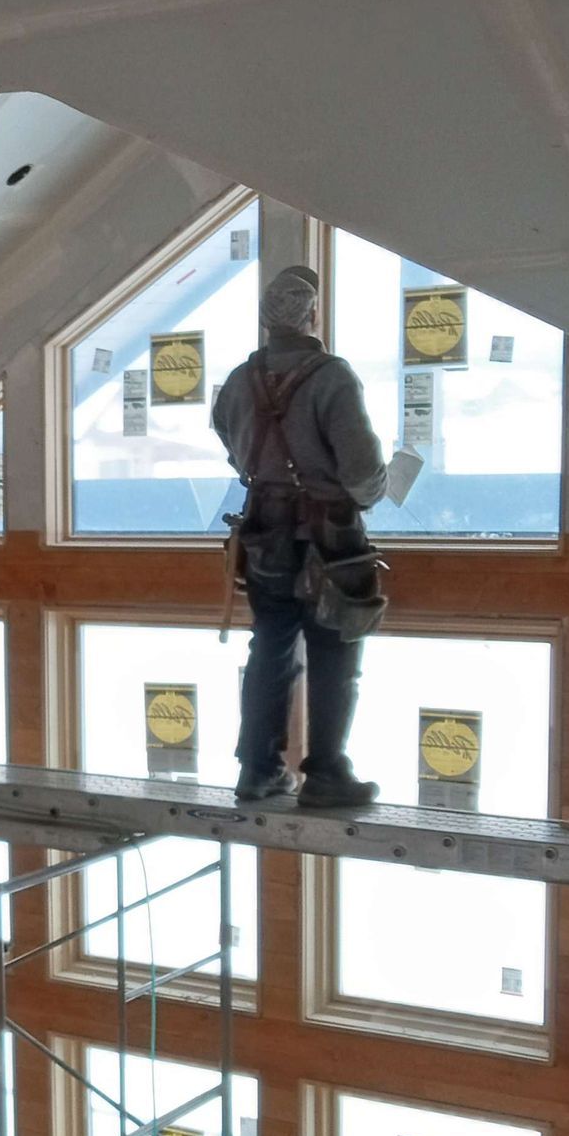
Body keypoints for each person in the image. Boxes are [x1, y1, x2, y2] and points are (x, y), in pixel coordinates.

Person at [211, 264, 388, 807]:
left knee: (270, 647)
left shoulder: (240, 379)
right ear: (313, 316)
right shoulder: (332, 377)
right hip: (331, 540)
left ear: (266, 321)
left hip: (264, 532)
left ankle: (258, 769)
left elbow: (226, 433)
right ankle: (327, 773)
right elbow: (362, 473)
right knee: (336, 653)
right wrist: (372, 491)